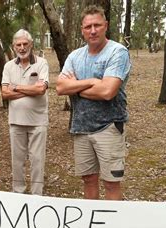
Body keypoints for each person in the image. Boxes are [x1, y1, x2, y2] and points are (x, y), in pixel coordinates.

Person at [56, 5, 131, 200]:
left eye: (97, 25)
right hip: (81, 128)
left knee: (111, 182)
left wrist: (75, 86)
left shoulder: (117, 52)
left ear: (105, 25)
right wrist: (90, 82)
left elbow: (107, 91)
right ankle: (93, 226)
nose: (93, 30)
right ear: (82, 29)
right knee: (88, 179)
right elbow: (60, 88)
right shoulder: (75, 56)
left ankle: (112, 225)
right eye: (88, 26)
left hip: (109, 127)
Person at [1, 29, 49, 195]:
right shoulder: (8, 66)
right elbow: (4, 93)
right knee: (17, 161)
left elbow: (41, 89)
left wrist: (15, 87)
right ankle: (18, 194)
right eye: (18, 45)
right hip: (16, 121)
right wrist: (31, 89)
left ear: (31, 44)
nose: (22, 48)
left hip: (38, 122)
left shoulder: (41, 63)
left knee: (37, 161)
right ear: (14, 47)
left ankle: (37, 196)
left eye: (25, 44)